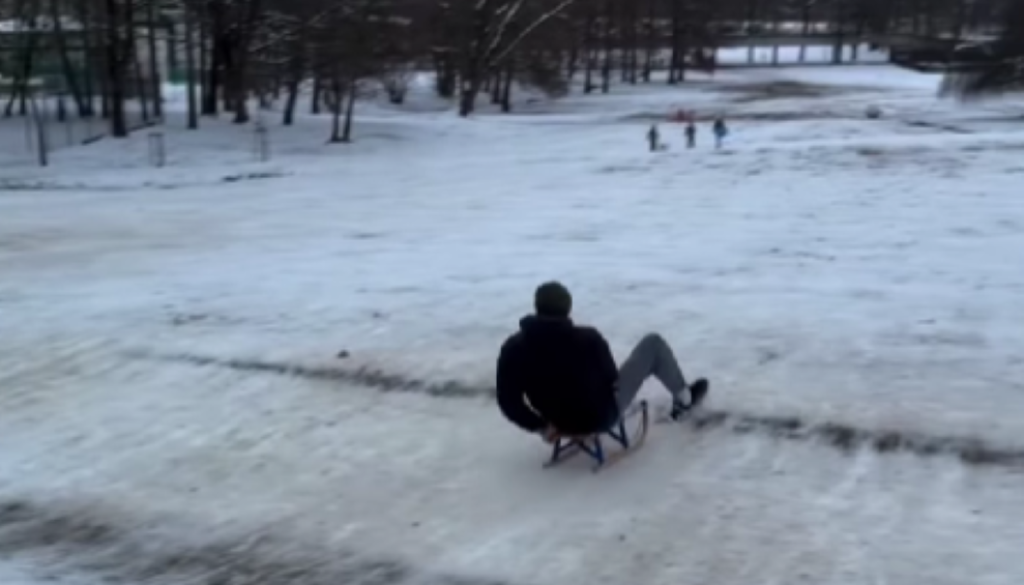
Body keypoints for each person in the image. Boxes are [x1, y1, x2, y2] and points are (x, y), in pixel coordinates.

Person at [496, 282, 708, 439]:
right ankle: (684, 400)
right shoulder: (587, 340)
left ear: (537, 307)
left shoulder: (513, 348)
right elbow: (611, 380)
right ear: (567, 309)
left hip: (557, 422)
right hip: (600, 417)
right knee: (652, 344)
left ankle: (560, 423)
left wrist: (540, 426)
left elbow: (508, 400)